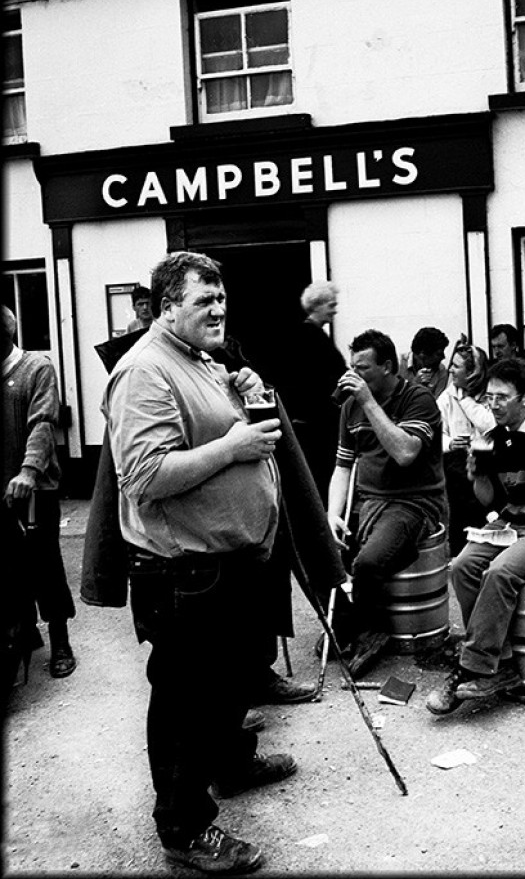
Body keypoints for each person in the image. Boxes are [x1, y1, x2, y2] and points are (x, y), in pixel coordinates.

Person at [102, 251, 301, 874]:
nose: (218, 309)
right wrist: (233, 444)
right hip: (185, 573)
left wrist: (243, 396)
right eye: (202, 300)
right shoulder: (144, 372)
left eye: (221, 298)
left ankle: (232, 763)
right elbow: (146, 476)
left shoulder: (198, 361)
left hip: (230, 561)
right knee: (187, 700)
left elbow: (217, 434)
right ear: (166, 308)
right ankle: (184, 829)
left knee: (232, 677)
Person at [426, 357, 525, 715]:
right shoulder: (497, 438)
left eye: (502, 397)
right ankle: (500, 665)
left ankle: (471, 668)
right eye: (489, 397)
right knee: (463, 565)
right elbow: (494, 501)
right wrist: (478, 477)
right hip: (514, 526)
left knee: (501, 571)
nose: (493, 404)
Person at [328, 329, 446, 678]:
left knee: (368, 563)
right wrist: (332, 515)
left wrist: (368, 402)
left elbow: (406, 452)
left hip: (415, 502)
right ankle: (347, 619)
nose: (354, 376)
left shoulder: (417, 398)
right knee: (319, 550)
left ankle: (372, 630)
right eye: (352, 367)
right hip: (370, 501)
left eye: (362, 368)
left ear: (388, 367)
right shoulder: (350, 407)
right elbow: (342, 466)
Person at [2, 305, 77, 681]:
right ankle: (24, 633)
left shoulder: (36, 368)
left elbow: (43, 423)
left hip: (34, 489)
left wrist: (29, 471)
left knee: (44, 563)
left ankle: (60, 639)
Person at [273, 279, 346, 506]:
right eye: (331, 305)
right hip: (316, 424)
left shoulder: (311, 335)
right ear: (318, 305)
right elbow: (327, 378)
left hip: (313, 421)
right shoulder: (311, 337)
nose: (334, 310)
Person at [437, 338, 494, 556]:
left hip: (489, 462)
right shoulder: (447, 396)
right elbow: (434, 432)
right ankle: (460, 551)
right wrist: (450, 443)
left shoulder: (490, 392)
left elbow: (489, 424)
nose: (450, 370)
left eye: (457, 366)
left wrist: (465, 400)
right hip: (457, 465)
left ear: (472, 373)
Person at [398, 326, 450, 399]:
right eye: (438, 354)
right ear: (422, 355)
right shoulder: (398, 365)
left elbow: (438, 405)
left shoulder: (441, 371)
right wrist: (414, 384)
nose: (443, 357)